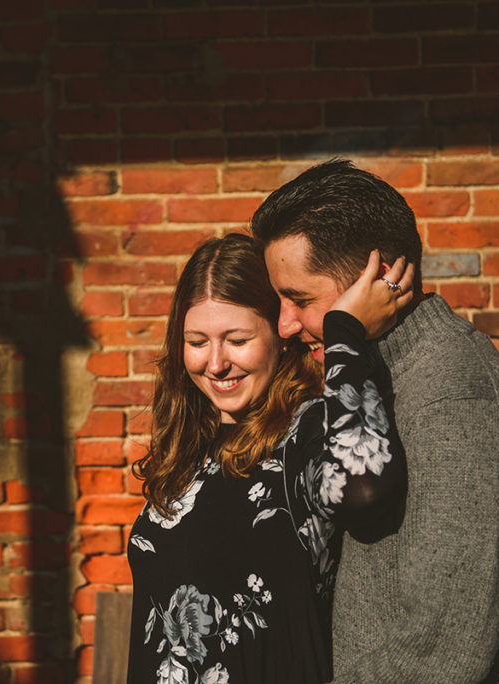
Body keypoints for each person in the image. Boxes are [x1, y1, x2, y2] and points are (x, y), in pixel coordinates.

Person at [251, 159, 499, 683]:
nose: (284, 325)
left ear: (382, 278)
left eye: (300, 300)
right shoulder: (377, 378)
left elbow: (444, 644)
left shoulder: (454, 397)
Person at [126, 233, 413, 684]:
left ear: (280, 336)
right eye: (197, 342)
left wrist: (344, 331)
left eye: (237, 340)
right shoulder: (189, 449)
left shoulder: (306, 431)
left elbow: (362, 486)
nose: (216, 364)